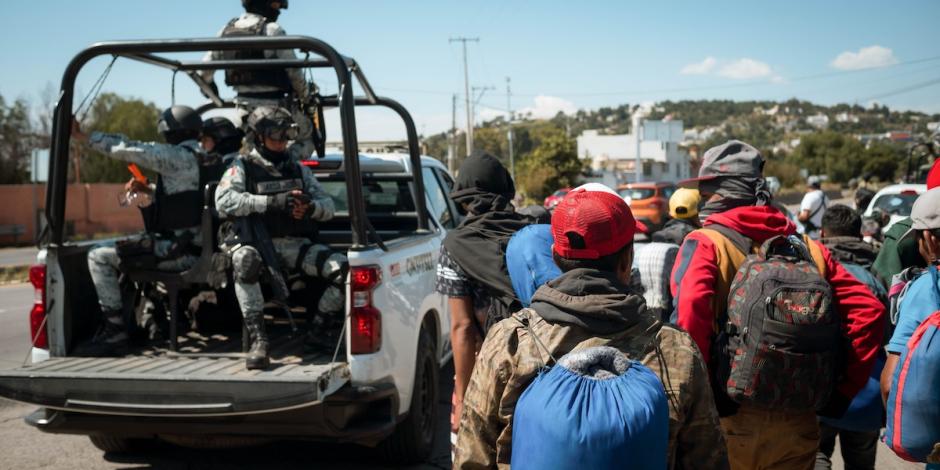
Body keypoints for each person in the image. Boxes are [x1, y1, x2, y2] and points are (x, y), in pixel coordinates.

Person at [453, 183, 728, 469]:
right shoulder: (674, 349)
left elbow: (472, 458)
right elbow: (707, 460)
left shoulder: (510, 342)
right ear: (627, 259)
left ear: (556, 257)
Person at [670, 140, 885, 470]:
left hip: (728, 423)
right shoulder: (809, 249)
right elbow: (869, 312)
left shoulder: (705, 244)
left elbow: (688, 322)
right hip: (798, 423)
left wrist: (704, 400)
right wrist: (839, 393)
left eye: (707, 190)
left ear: (721, 194)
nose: (703, 198)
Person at [71, 106, 227, 356]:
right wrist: (150, 191)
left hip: (179, 253)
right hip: (199, 250)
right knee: (126, 250)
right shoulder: (209, 159)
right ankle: (138, 322)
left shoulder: (177, 156)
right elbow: (189, 201)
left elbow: (129, 148)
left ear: (170, 132)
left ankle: (115, 332)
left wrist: (83, 136)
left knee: (98, 255)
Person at [215, 106, 345, 370]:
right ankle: (259, 341)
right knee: (245, 262)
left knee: (345, 272)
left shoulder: (297, 168)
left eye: (286, 136)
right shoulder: (242, 167)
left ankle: (318, 333)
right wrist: (271, 202)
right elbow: (224, 202)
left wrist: (309, 208)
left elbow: (328, 206)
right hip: (256, 244)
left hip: (294, 245)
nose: (281, 142)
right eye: (275, 136)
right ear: (259, 137)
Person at [435, 150, 530, 439]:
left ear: (463, 199)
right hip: (542, 359)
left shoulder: (454, 246)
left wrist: (462, 398)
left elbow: (463, 328)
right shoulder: (533, 232)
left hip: (489, 367)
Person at [816, 204, 888, 470]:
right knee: (860, 462)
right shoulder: (876, 276)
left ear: (823, 233)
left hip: (817, 390)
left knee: (814, 454)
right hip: (864, 394)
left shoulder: (813, 271)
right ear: (859, 235)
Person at [201, 0, 321, 159]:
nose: (278, 9)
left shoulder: (225, 30)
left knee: (248, 150)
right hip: (275, 110)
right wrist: (306, 96)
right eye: (275, 4)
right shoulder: (272, 29)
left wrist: (210, 90)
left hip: (242, 111)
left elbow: (203, 74)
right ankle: (282, 166)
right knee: (309, 136)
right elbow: (294, 73)